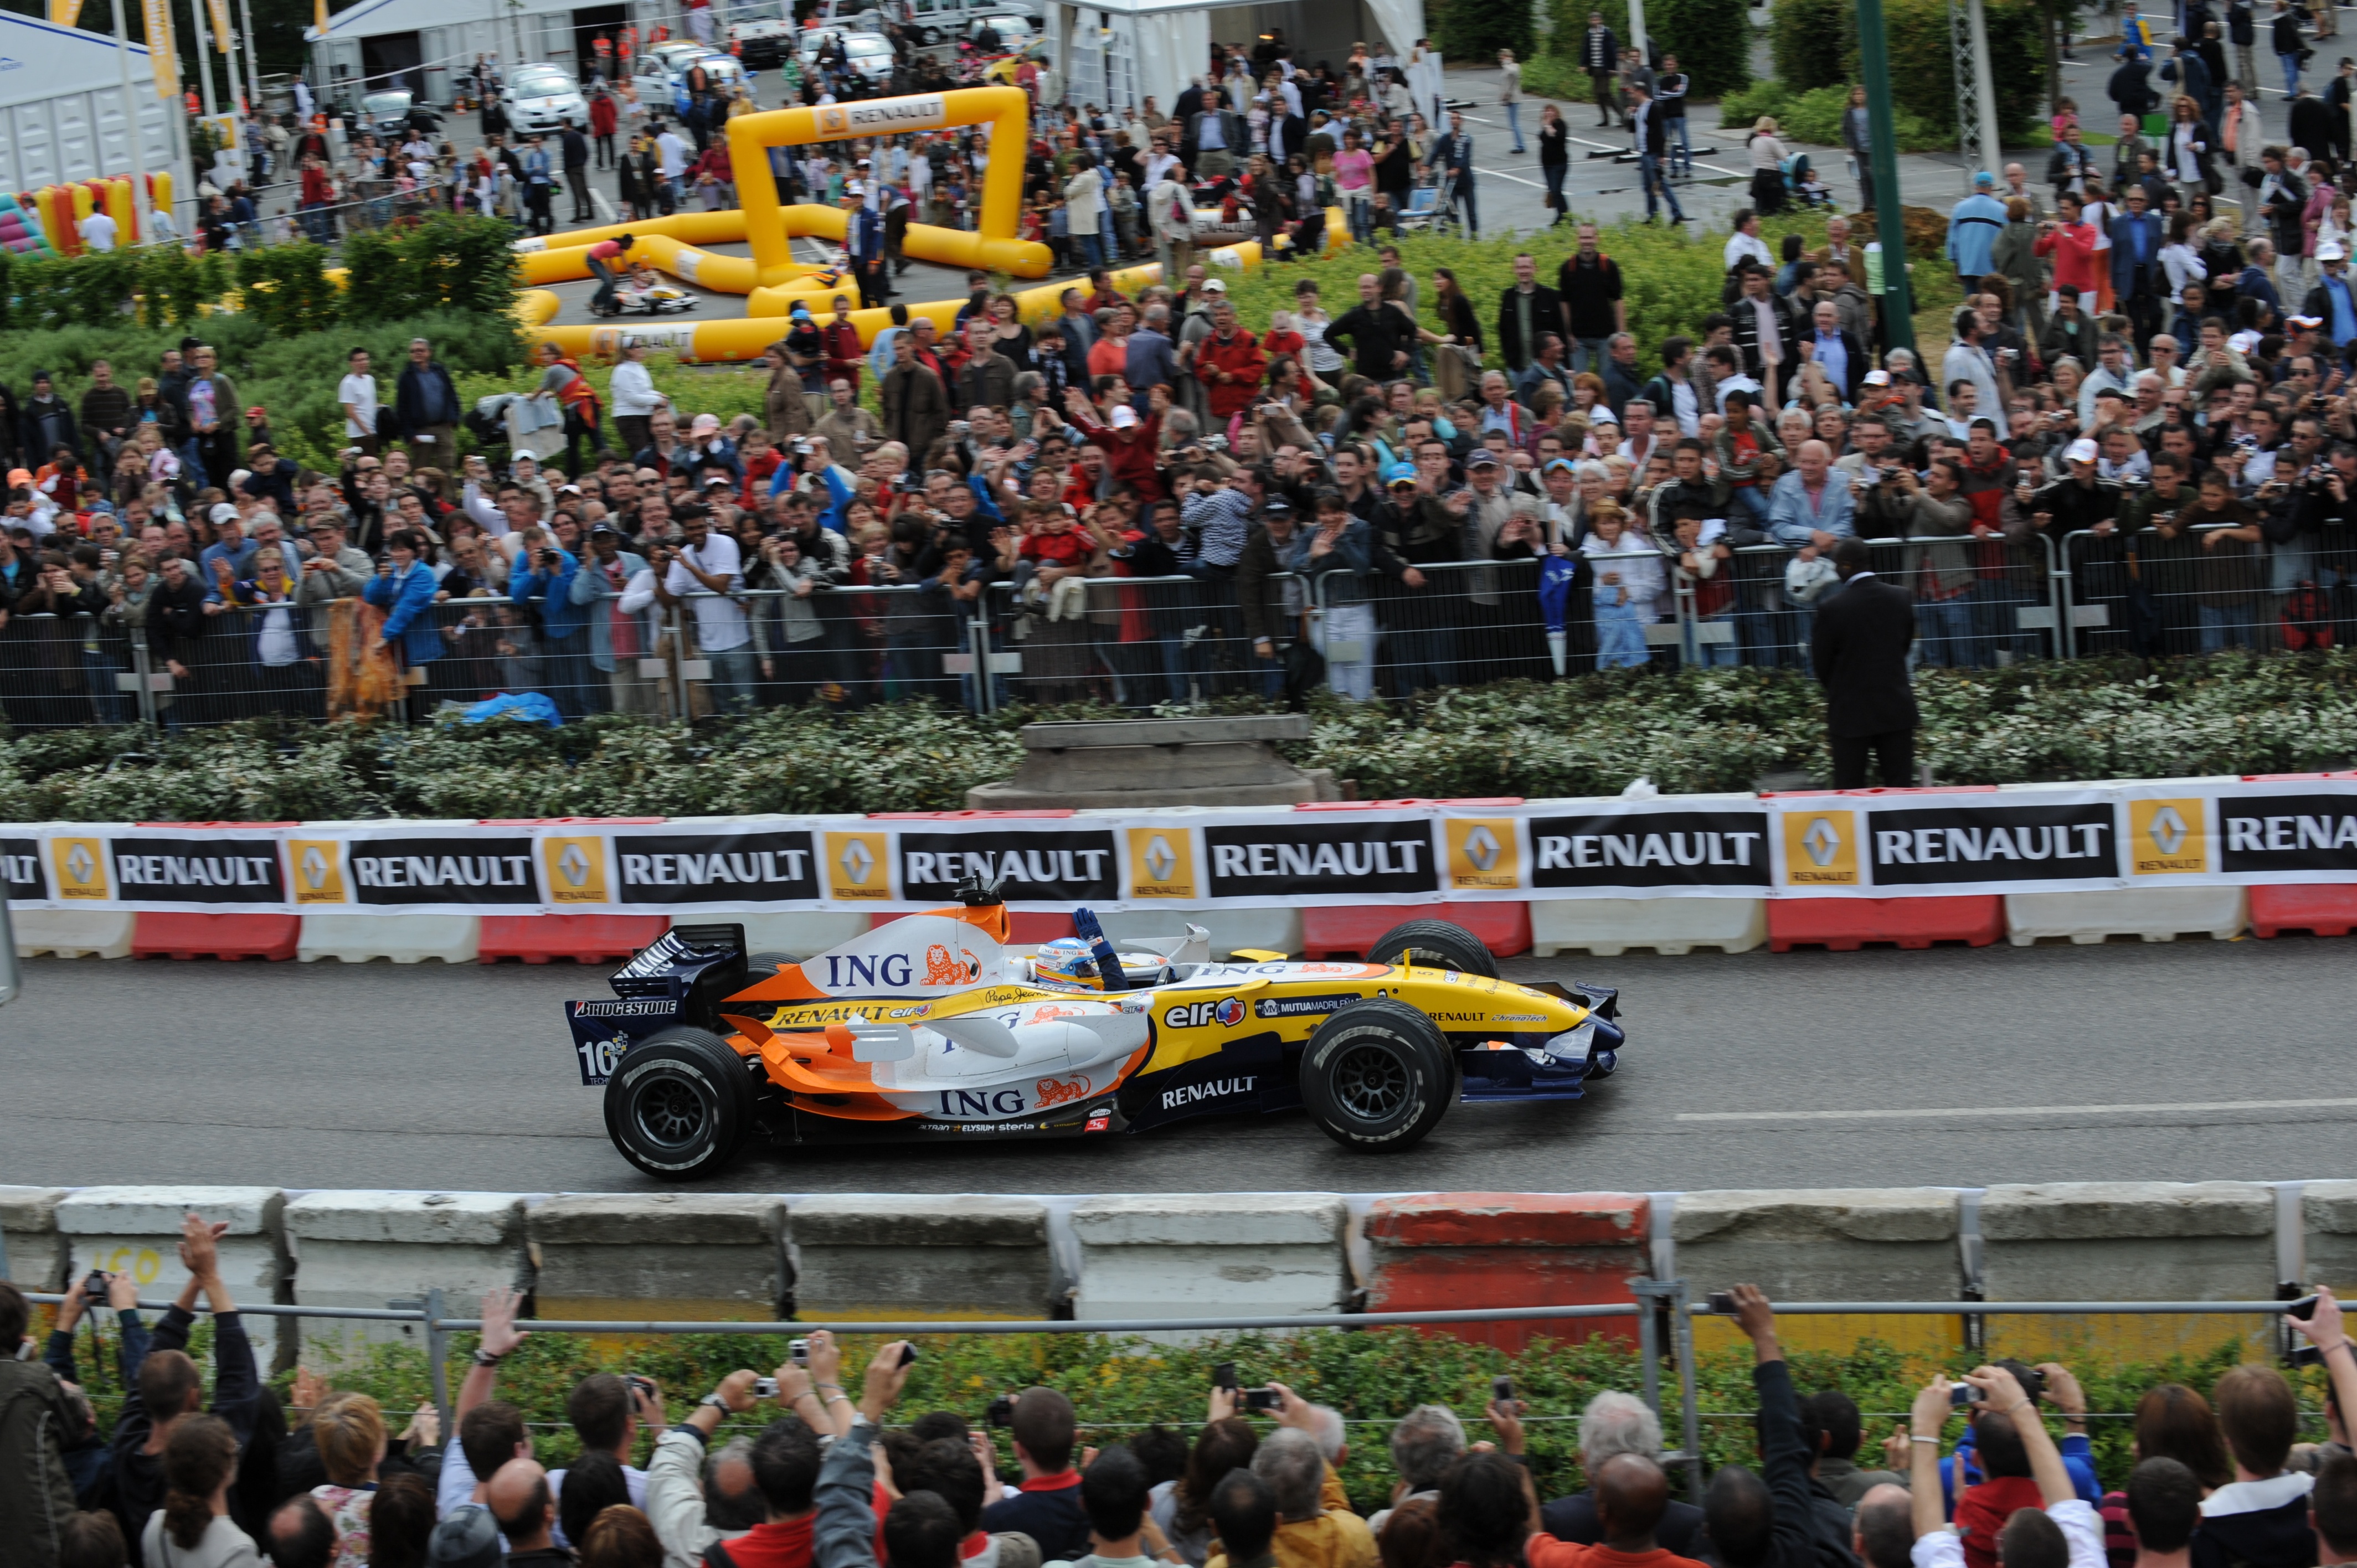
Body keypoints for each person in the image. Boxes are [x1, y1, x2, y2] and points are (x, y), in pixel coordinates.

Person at [1810, 535, 1919, 788]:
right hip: (1895, 707)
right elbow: (1904, 646)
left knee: (1850, 792)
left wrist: (1841, 687)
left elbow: (1822, 663)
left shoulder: (1832, 608)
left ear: (1845, 565)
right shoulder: (1901, 597)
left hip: (1849, 712)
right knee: (1900, 791)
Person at [0, 1280, 81, 1568]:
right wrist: (26, 1365)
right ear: (20, 1332)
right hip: (46, 1547)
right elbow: (79, 1428)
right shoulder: (36, 1380)